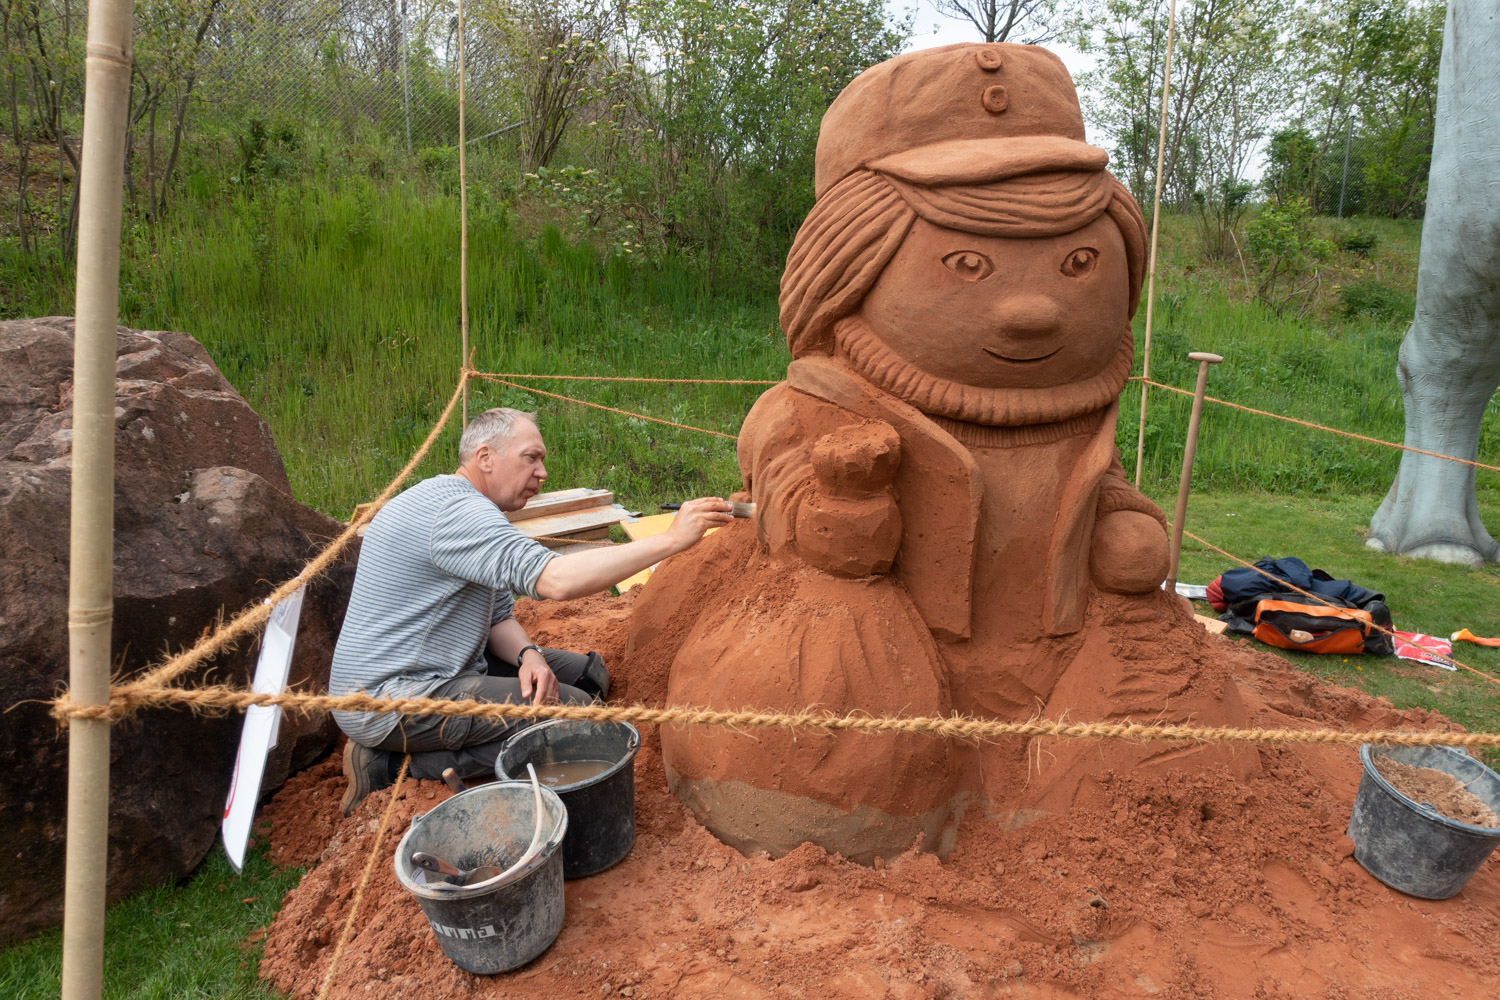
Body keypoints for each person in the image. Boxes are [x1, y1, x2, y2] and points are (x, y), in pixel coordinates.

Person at [331, 406, 733, 813]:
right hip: (392, 697)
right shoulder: (455, 514)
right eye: (531, 458)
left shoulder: (467, 508)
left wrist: (528, 656)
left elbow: (498, 617)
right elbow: (556, 580)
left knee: (587, 676)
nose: (542, 473)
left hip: (442, 666)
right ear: (485, 458)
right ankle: (386, 765)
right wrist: (669, 541)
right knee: (579, 722)